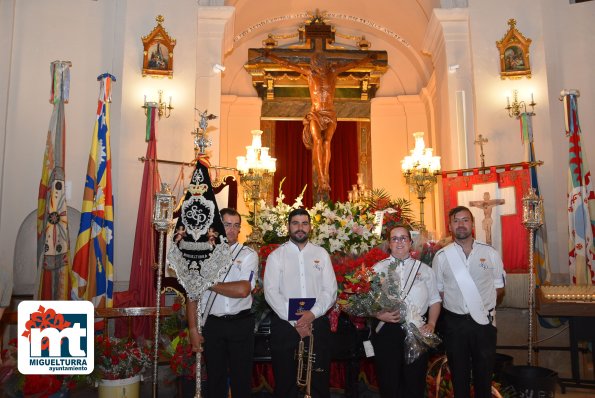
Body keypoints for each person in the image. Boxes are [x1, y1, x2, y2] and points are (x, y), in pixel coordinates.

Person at [265, 49, 375, 194]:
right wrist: (271, 56)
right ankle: (322, 177)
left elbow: (352, 64)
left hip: (329, 113)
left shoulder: (333, 71)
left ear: (325, 64)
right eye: (316, 64)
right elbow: (288, 64)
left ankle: (325, 173)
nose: (319, 66)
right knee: (317, 140)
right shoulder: (310, 74)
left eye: (321, 63)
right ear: (314, 64)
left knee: (327, 141)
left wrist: (367, 59)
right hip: (316, 113)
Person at [184, 208, 258, 398]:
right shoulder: (201, 255)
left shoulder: (248, 255)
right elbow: (192, 293)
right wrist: (193, 330)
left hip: (241, 323)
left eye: (236, 226)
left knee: (241, 381)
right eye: (227, 225)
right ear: (217, 226)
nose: (232, 230)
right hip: (213, 324)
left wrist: (208, 283)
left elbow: (243, 290)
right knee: (215, 380)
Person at [264, 208, 338, 398]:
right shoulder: (276, 256)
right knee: (286, 382)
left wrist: (311, 315)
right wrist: (295, 322)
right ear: (288, 226)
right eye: (295, 223)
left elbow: (329, 290)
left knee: (318, 382)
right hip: (285, 326)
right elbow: (271, 292)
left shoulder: (321, 254)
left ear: (310, 227)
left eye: (304, 223)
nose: (300, 228)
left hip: (317, 323)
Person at [433, 206, 506, 398]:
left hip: (483, 324)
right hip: (454, 324)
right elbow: (438, 292)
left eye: (465, 220)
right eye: (456, 221)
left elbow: (499, 287)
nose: (461, 224)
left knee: (484, 375)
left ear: (472, 224)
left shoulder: (490, 253)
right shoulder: (441, 257)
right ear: (450, 226)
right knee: (459, 376)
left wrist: (480, 307)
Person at [371, 225, 441, 397]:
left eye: (403, 238)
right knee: (389, 382)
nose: (399, 242)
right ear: (389, 244)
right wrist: (379, 314)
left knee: (414, 382)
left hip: (416, 330)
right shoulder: (377, 269)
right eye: (395, 238)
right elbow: (367, 301)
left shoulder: (424, 270)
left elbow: (435, 300)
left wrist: (431, 323)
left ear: (410, 242)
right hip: (387, 330)